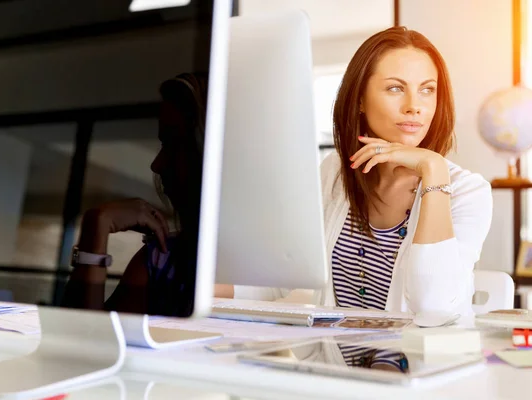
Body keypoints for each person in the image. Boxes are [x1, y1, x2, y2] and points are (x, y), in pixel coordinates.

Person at [226, 26, 493, 318]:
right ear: (361, 99)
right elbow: (279, 282)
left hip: (422, 363)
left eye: (427, 90)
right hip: (336, 362)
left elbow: (434, 307)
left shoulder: (469, 191)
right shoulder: (336, 173)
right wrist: (185, 283)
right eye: (395, 88)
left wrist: (433, 168)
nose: (414, 107)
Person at [61, 73, 209, 317]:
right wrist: (96, 225)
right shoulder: (161, 258)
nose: (156, 164)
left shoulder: (268, 277)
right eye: (163, 145)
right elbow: (83, 341)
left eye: (174, 143)